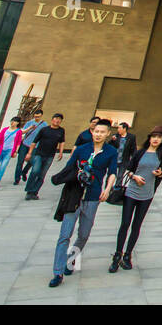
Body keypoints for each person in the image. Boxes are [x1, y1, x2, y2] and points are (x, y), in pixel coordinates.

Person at [48, 118, 117, 288]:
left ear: (108, 134)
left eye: (102, 132)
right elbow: (69, 168)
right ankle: (57, 272)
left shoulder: (111, 152)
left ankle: (71, 260)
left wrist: (107, 189)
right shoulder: (81, 149)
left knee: (84, 234)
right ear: (92, 132)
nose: (98, 134)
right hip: (74, 196)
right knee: (65, 235)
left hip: (93, 197)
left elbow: (112, 172)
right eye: (96, 131)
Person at [110, 125, 162, 272]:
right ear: (149, 138)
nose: (156, 139)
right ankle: (117, 255)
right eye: (154, 136)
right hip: (132, 192)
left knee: (137, 225)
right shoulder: (140, 152)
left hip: (147, 194)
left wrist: (159, 173)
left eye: (159, 137)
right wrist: (134, 177)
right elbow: (128, 170)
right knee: (125, 224)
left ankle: (127, 255)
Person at [24, 114, 66, 199]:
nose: (57, 120)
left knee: (42, 174)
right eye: (56, 118)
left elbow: (62, 142)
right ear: (52, 119)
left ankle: (34, 192)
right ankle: (29, 190)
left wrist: (61, 152)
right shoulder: (44, 129)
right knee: (35, 171)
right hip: (39, 154)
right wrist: (29, 153)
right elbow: (34, 142)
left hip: (50, 156)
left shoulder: (61, 131)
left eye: (59, 119)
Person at [0, 118, 24, 187]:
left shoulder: (19, 131)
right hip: (0, 150)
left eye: (14, 121)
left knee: (3, 166)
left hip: (9, 151)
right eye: (12, 121)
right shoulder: (5, 129)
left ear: (18, 123)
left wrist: (16, 151)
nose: (12, 122)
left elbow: (18, 142)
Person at [13, 110, 47, 185]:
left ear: (41, 115)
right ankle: (17, 179)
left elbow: (45, 134)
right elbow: (22, 132)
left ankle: (24, 172)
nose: (36, 117)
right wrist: (30, 128)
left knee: (32, 161)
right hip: (25, 144)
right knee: (20, 161)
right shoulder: (29, 123)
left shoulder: (44, 124)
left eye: (38, 116)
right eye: (35, 116)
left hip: (35, 146)